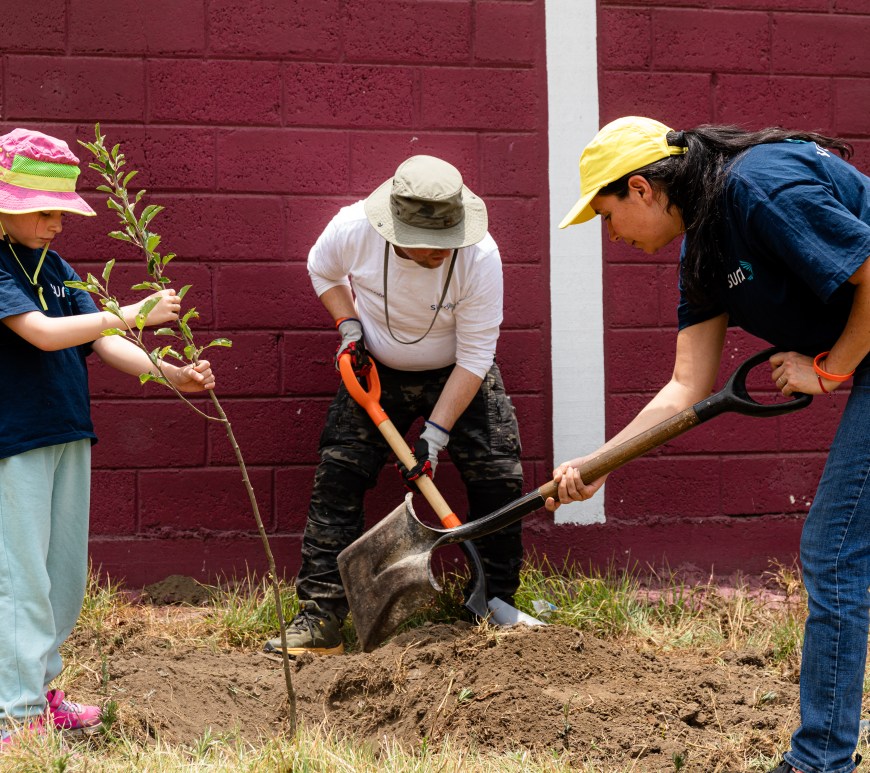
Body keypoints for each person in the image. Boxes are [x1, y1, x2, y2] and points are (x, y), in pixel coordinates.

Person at [549, 116, 869, 773]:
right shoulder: (703, 254)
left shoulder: (758, 188)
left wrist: (831, 366)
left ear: (641, 188)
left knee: (832, 548)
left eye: (608, 217)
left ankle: (818, 762)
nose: (613, 236)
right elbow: (685, 386)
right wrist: (598, 464)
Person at [0, 128, 215, 746]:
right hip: (14, 439)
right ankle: (16, 717)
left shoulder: (57, 267)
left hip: (68, 432)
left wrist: (173, 374)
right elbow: (41, 333)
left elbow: (101, 339)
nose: (55, 223)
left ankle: (40, 691)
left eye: (62, 212)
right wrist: (133, 310)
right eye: (42, 211)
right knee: (21, 578)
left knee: (62, 575)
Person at [264, 155, 524, 657]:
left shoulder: (480, 257)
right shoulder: (352, 229)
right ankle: (320, 619)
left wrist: (436, 435)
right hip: (374, 371)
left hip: (458, 373)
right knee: (337, 477)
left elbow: (474, 357)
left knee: (499, 476)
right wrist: (349, 327)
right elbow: (322, 271)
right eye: (429, 245)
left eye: (449, 241)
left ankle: (494, 602)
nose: (441, 254)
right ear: (392, 229)